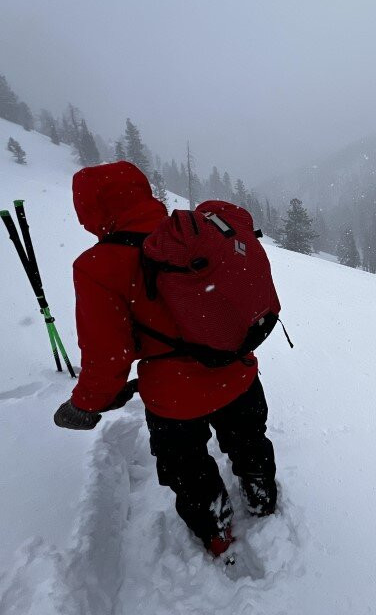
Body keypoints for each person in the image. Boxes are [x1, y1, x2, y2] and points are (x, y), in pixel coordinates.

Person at [52, 161, 278, 557]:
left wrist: (85, 405)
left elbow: (108, 357)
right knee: (249, 441)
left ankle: (216, 529)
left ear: (89, 210)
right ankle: (260, 493)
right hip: (236, 372)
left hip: (175, 399)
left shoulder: (98, 267)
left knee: (188, 468)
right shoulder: (191, 230)